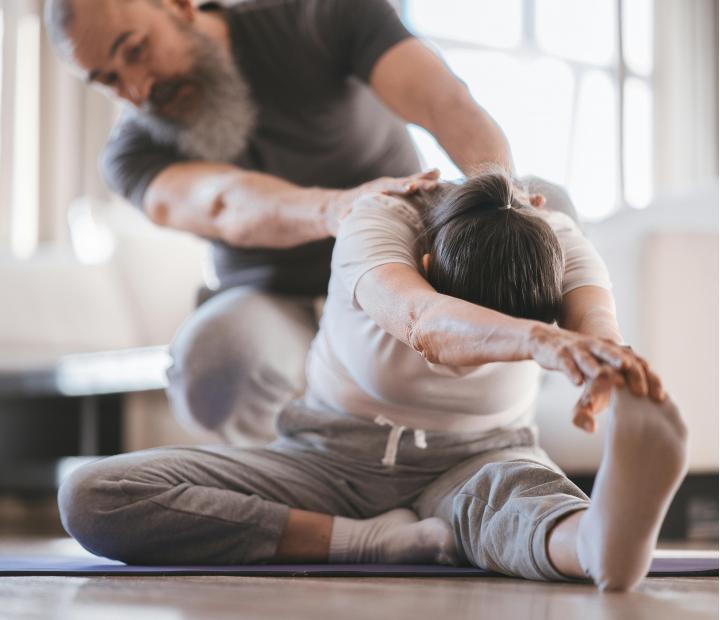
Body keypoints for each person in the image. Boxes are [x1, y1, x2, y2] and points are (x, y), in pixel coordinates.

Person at [57, 167, 688, 591]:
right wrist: (536, 340)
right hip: (327, 456)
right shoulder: (380, 223)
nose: (476, 365)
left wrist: (609, 367)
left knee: (522, 507)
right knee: (94, 495)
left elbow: (599, 327)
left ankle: (596, 544)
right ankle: (366, 542)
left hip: (479, 457)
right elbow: (422, 319)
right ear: (427, 262)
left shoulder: (556, 240)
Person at [44, 0, 523, 445]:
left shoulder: (320, 16)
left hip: (406, 264)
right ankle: (318, 497)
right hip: (275, 300)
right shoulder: (130, 153)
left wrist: (500, 200)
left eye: (136, 50)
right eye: (108, 80)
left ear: (178, 5)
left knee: (545, 204)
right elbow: (223, 204)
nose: (138, 89)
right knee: (212, 363)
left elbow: (447, 105)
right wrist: (339, 209)